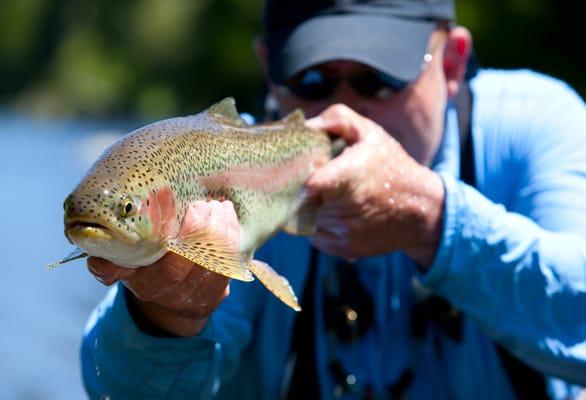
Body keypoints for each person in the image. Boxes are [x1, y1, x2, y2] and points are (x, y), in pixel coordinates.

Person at [81, 0, 586, 398]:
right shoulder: (233, 168)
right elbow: (116, 389)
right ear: (270, 70)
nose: (344, 107)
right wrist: (165, 319)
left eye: (378, 78)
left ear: (452, 63)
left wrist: (431, 220)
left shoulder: (536, 126)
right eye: (312, 79)